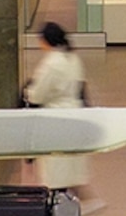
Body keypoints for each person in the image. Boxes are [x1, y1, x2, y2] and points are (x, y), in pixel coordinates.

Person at [23, 22, 88, 190]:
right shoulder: (73, 58)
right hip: (75, 114)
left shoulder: (51, 63)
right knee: (71, 168)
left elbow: (37, 94)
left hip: (56, 118)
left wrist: (27, 93)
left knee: (56, 171)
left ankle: (60, 207)